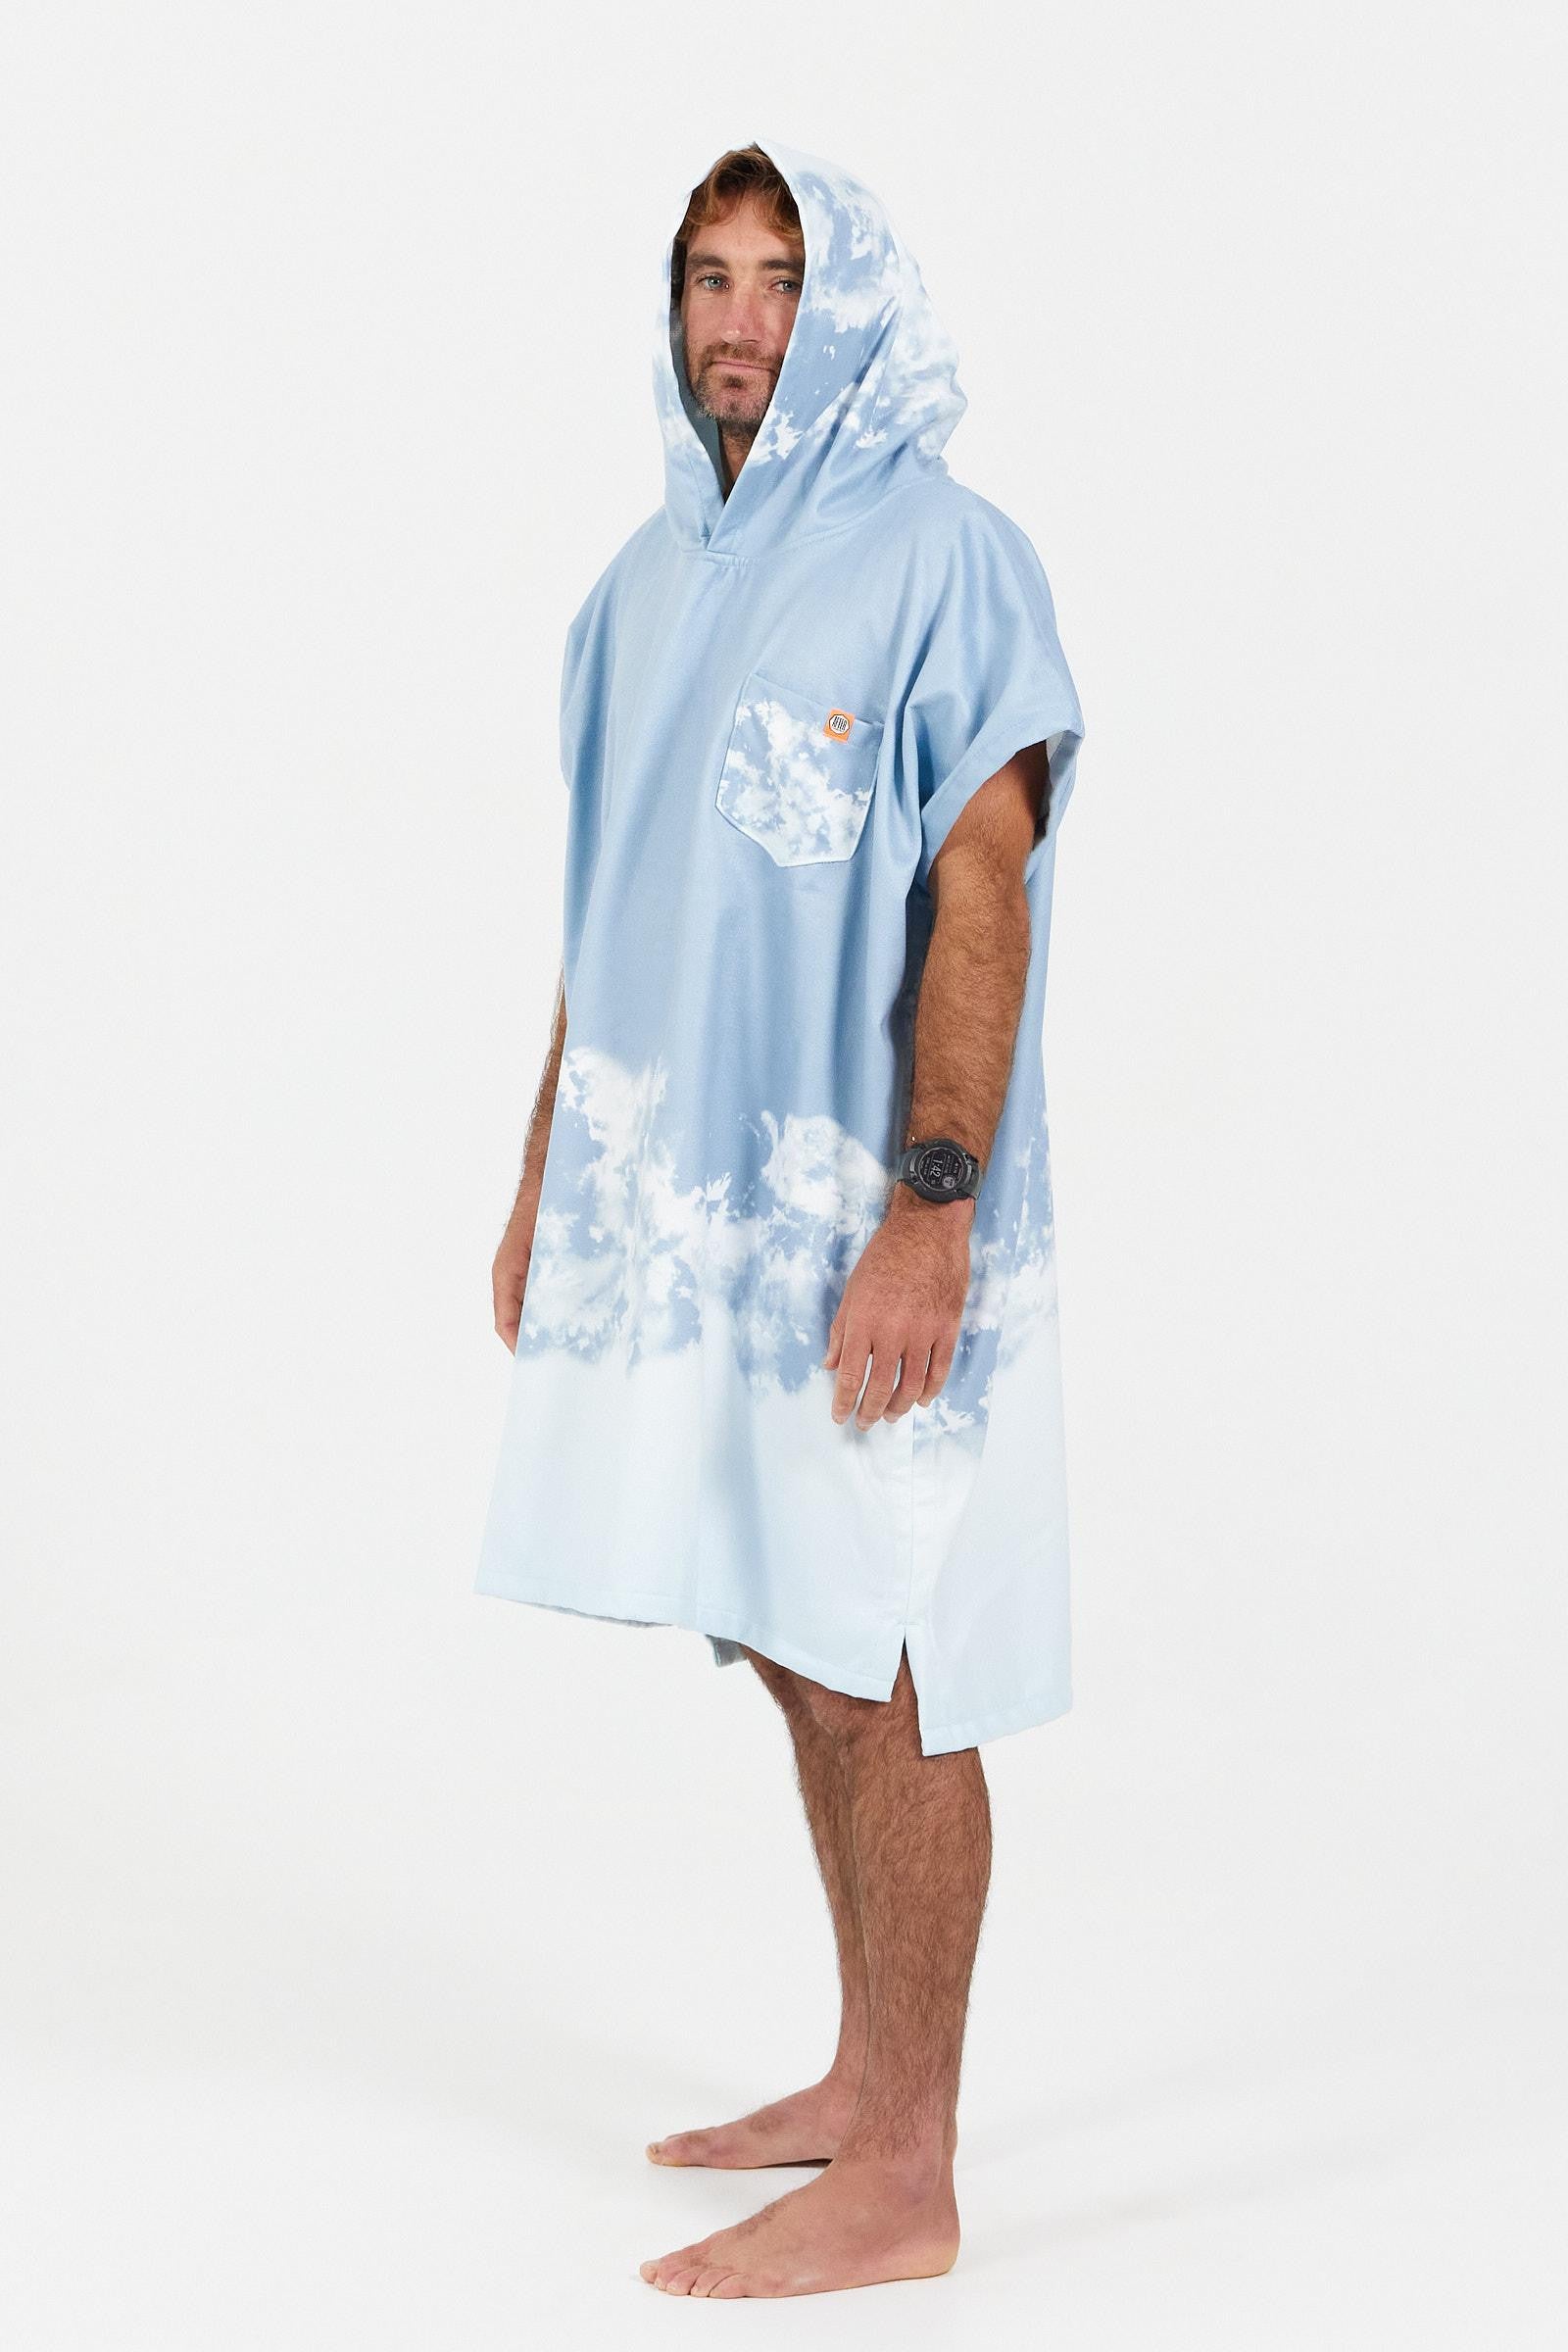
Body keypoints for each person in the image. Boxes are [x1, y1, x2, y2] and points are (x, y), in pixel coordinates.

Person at [475, 139, 1086, 2299]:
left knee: (882, 1660)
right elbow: (608, 912)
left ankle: (906, 2172)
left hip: (861, 1221)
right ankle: (862, 2076)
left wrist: (931, 1210)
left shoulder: (946, 555)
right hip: (689, 1230)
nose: (738, 321)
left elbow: (983, 884)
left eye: (780, 280)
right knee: (789, 1645)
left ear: (852, 313)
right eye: (708, 279)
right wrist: (544, 1177)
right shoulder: (635, 590)